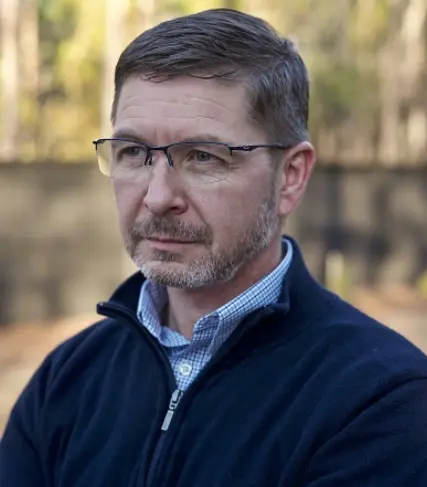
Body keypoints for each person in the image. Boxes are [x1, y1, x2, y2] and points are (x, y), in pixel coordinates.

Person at [1, 8, 427, 487]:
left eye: (202, 157)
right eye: (133, 153)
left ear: (290, 177)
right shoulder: (67, 379)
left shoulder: (383, 401)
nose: (158, 197)